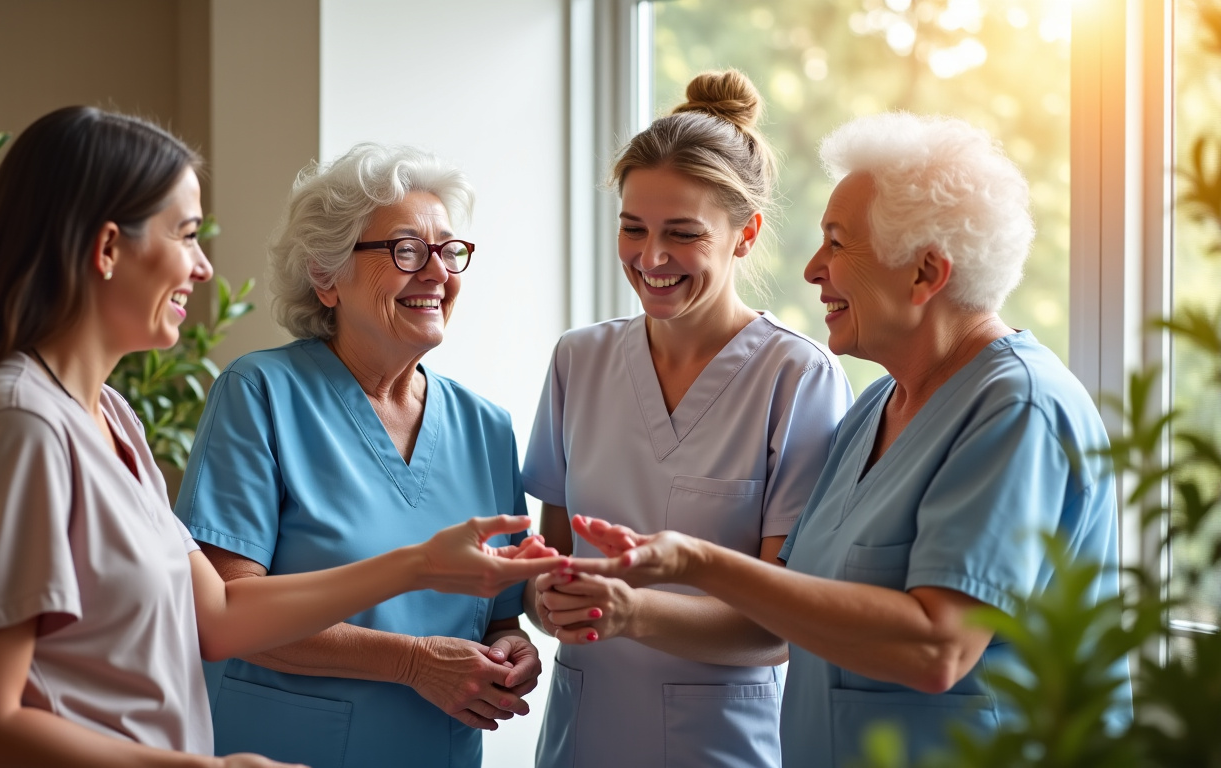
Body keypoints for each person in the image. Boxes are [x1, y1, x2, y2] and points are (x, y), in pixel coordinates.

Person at [0, 106, 565, 768]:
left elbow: (219, 617)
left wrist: (420, 565)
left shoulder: (111, 418)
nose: (204, 267)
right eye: (186, 235)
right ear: (109, 247)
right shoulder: (17, 427)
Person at [567, 112, 1131, 766]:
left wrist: (695, 563)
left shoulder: (1018, 408)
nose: (812, 269)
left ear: (925, 273)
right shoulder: (873, 411)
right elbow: (800, 605)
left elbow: (937, 648)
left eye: (837, 243)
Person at [171, 143, 544, 768]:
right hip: (285, 753)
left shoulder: (487, 428)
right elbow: (225, 614)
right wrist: (412, 663)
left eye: (449, 252)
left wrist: (512, 650)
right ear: (326, 275)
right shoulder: (261, 394)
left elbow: (499, 617)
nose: (437, 273)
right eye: (405, 250)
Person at [521, 70, 854, 768]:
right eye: (633, 229)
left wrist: (631, 612)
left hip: (722, 747)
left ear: (746, 234)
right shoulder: (577, 361)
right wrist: (541, 600)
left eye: (682, 234)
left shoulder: (797, 378)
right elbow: (549, 564)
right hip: (580, 739)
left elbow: (785, 626)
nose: (651, 258)